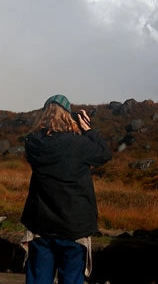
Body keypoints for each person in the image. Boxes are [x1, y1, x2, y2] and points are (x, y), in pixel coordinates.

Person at [21, 95, 113, 284]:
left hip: (41, 226)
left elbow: (40, 140)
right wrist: (88, 129)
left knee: (38, 279)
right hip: (74, 228)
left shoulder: (33, 143)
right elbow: (105, 154)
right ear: (68, 115)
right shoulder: (80, 145)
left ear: (45, 115)